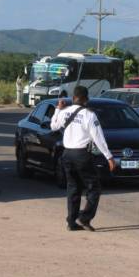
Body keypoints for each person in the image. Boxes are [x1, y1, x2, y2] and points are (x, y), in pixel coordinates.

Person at [50, 86, 116, 232]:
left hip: (67, 154)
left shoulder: (64, 112)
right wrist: (109, 157)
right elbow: (98, 138)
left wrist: (57, 109)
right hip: (82, 155)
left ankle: (71, 222)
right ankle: (84, 217)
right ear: (86, 99)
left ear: (73, 98)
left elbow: (53, 126)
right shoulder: (89, 115)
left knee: (73, 188)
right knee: (94, 188)